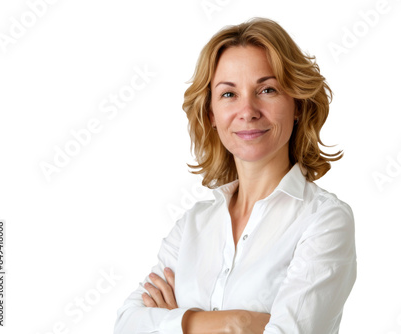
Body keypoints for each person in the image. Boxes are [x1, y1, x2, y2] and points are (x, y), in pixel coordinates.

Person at [114, 17, 356, 334]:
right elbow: (127, 324)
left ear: (297, 104)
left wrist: (175, 321)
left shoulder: (324, 220)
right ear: (211, 114)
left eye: (267, 89)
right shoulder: (191, 226)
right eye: (229, 94)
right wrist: (238, 323)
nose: (248, 110)